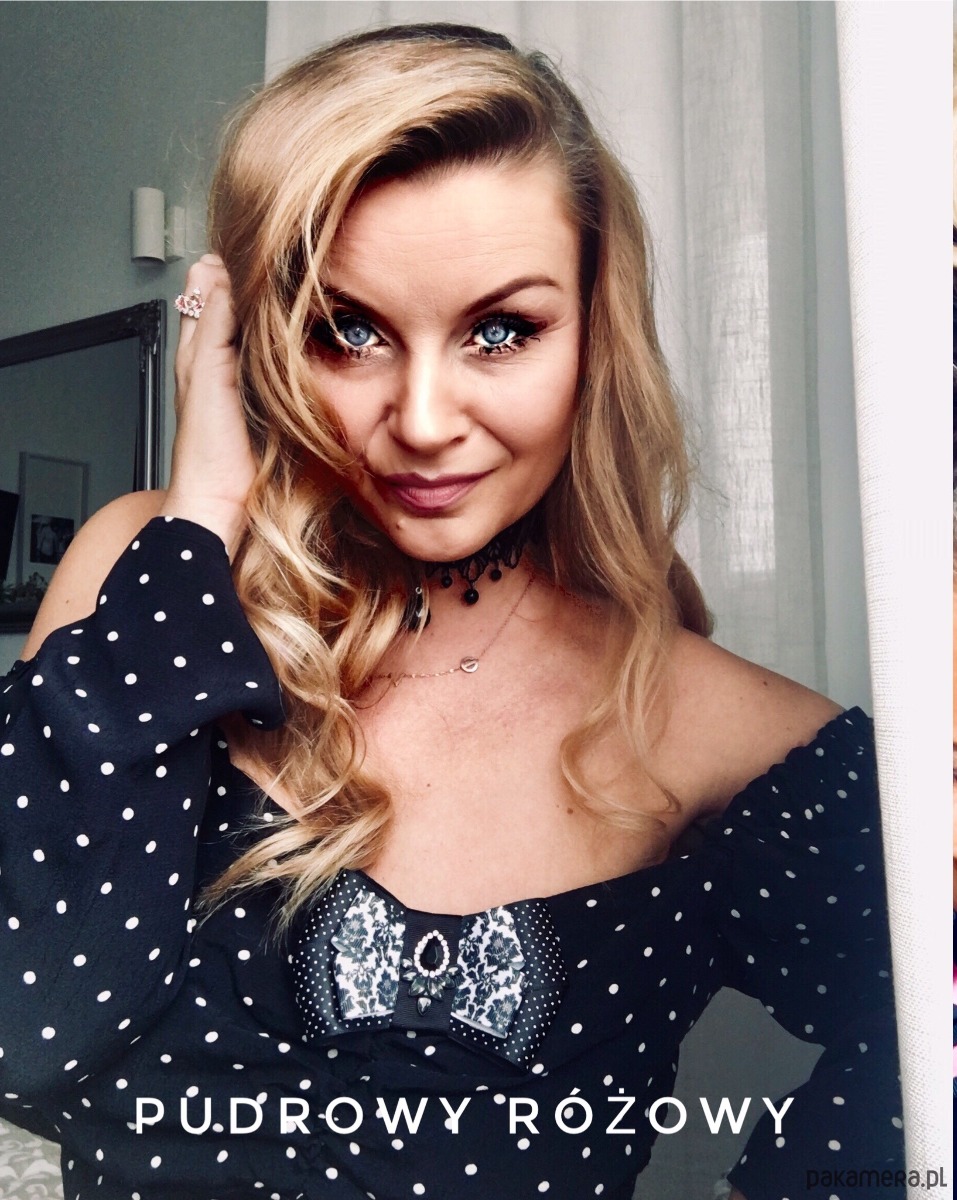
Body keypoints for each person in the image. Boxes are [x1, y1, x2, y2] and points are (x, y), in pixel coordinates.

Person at [0, 23, 903, 1200]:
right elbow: (29, 1031)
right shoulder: (150, 575)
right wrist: (207, 505)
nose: (425, 420)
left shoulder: (716, 729)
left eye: (500, 331)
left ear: (595, 338)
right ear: (258, 341)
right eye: (348, 331)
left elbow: (922, 1039)